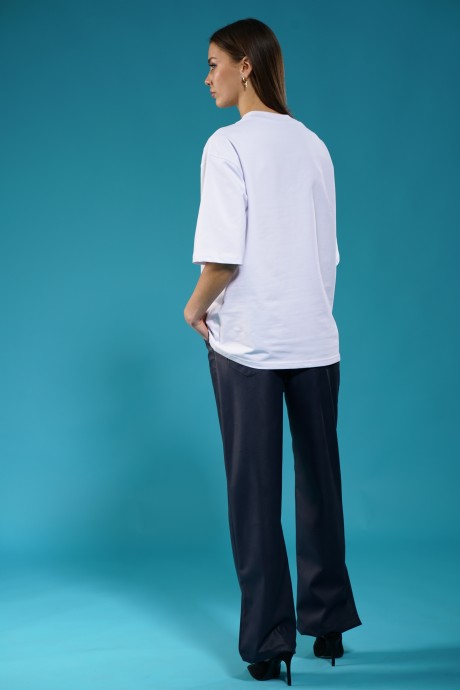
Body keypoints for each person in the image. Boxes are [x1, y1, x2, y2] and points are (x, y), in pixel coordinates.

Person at [184, 18, 362, 685]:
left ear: (246, 66)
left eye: (213, 64)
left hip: (247, 345)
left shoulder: (226, 145)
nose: (207, 78)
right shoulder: (314, 144)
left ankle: (268, 642)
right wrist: (310, 313)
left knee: (253, 494)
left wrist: (194, 307)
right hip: (315, 338)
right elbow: (327, 255)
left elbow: (223, 258)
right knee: (321, 484)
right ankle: (329, 625)